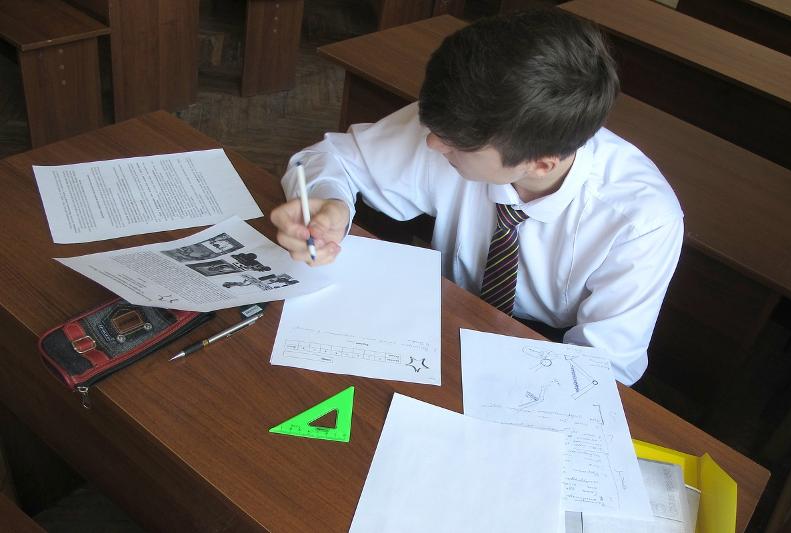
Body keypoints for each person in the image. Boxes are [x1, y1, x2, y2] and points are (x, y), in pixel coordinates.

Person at [269, 7, 683, 385]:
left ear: (541, 164)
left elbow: (601, 370)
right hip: (442, 317)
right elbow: (331, 158)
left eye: (455, 145)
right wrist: (332, 204)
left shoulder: (641, 221)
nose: (432, 144)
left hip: (544, 357)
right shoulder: (466, 119)